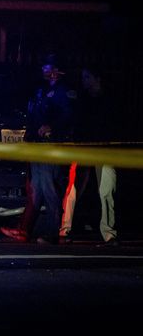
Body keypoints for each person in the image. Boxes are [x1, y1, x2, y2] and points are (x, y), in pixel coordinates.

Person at [2, 54, 76, 245]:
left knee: (50, 189)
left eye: (48, 67)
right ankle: (24, 230)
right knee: (36, 189)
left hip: (51, 146)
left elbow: (69, 116)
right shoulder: (40, 91)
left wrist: (53, 127)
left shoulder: (64, 91)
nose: (44, 71)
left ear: (57, 70)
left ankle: (53, 232)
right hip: (36, 145)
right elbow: (34, 115)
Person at [59, 67, 118, 246]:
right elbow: (75, 122)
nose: (84, 80)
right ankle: (64, 229)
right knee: (73, 189)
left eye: (87, 77)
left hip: (104, 150)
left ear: (97, 79)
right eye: (83, 77)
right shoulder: (81, 100)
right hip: (83, 149)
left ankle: (109, 233)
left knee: (107, 190)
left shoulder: (109, 100)